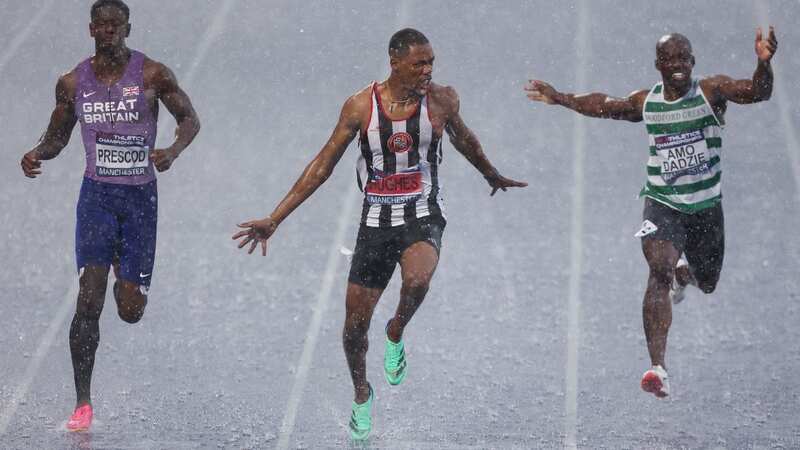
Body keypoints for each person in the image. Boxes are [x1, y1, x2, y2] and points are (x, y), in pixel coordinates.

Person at [233, 28, 526, 440]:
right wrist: (276, 218)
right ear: (394, 61)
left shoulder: (442, 100)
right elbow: (322, 166)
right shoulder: (360, 106)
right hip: (375, 223)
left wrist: (490, 173)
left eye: (431, 62)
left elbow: (464, 140)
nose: (427, 70)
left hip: (423, 215)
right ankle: (361, 394)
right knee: (353, 327)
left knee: (418, 280)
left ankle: (396, 331)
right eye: (418, 63)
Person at [524, 28, 777, 398]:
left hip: (706, 208)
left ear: (693, 62)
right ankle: (658, 368)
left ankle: (685, 275)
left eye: (684, 58)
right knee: (657, 271)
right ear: (658, 65)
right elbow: (604, 105)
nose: (678, 65)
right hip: (663, 203)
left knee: (708, 281)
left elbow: (758, 92)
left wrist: (764, 62)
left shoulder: (711, 93)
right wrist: (559, 97)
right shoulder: (648, 102)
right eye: (670, 59)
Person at [19, 0, 200, 431]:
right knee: (89, 297)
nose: (109, 33)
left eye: (116, 26)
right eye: (101, 27)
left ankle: (127, 274)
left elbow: (190, 119)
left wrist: (172, 151)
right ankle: (83, 401)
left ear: (127, 28)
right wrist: (35, 152)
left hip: (139, 202)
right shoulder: (71, 82)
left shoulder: (154, 75)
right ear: (91, 31)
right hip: (97, 198)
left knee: (130, 310)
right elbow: (58, 135)